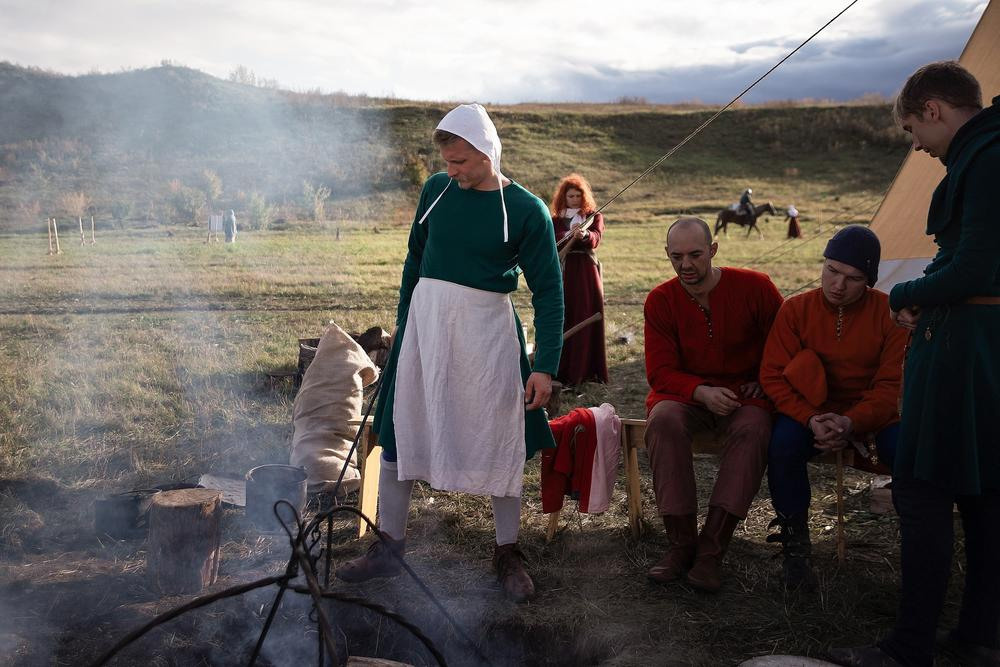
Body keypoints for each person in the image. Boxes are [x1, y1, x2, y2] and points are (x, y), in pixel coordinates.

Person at [335, 104, 564, 603]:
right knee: (402, 428)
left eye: (459, 161)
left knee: (500, 436)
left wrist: (545, 365)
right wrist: (405, 323)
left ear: (486, 153)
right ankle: (390, 547)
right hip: (426, 328)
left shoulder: (526, 210)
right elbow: (415, 258)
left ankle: (507, 552)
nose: (451, 170)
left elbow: (549, 290)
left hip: (486, 335)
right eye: (447, 162)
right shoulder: (436, 190)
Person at [830, 61, 1000, 667]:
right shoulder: (983, 154)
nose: (918, 146)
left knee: (923, 490)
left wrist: (904, 293)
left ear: (933, 109)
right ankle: (980, 635)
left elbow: (975, 267)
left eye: (912, 130)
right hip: (977, 347)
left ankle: (909, 649)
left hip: (963, 354)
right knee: (983, 494)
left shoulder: (986, 159)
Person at [760, 225, 907, 590]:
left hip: (871, 415)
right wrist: (811, 418)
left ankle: (917, 552)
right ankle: (795, 551)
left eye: (853, 278)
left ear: (869, 281)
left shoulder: (890, 315)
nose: (838, 284)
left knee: (908, 451)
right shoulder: (795, 310)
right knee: (783, 445)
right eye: (832, 270)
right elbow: (773, 375)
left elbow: (890, 387)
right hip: (811, 411)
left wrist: (850, 421)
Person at [643, 217, 783, 592]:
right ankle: (681, 544)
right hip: (686, 397)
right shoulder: (660, 300)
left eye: (695, 255)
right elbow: (660, 371)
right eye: (676, 257)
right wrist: (701, 391)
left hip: (744, 396)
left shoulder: (756, 288)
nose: (685, 264)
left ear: (713, 250)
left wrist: (764, 379)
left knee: (754, 428)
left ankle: (712, 550)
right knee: (663, 420)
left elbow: (785, 344)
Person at [550, 173, 608, 386]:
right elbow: (552, 240)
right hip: (564, 270)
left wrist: (584, 235)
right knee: (564, 314)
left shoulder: (593, 216)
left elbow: (596, 238)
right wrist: (568, 235)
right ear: (563, 197)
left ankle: (585, 371)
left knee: (585, 311)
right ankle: (562, 369)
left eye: (578, 196)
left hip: (585, 271)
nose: (574, 200)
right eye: (570, 196)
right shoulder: (556, 219)